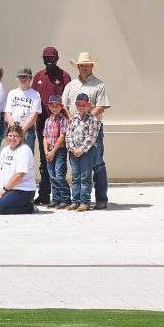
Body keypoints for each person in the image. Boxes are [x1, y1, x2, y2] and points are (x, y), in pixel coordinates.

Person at [62, 52, 109, 209]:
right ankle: (79, 200)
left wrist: (87, 119)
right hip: (75, 129)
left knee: (97, 164)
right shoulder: (71, 85)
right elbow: (65, 106)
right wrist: (73, 120)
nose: (84, 67)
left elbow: (101, 106)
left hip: (92, 129)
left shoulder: (99, 85)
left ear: (92, 66)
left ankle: (101, 198)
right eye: (82, 65)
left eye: (87, 65)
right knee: (77, 171)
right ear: (78, 67)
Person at [0, 120, 38, 215]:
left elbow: (20, 174)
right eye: (10, 136)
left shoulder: (24, 150)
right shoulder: (5, 150)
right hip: (6, 188)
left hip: (22, 190)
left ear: (21, 137)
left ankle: (29, 207)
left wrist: (5, 189)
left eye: (16, 136)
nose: (12, 138)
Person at [65, 93, 102, 210]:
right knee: (75, 176)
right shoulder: (73, 119)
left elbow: (92, 136)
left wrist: (81, 150)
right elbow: (68, 135)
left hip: (86, 153)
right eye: (79, 104)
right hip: (73, 152)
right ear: (76, 105)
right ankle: (75, 201)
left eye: (84, 105)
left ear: (89, 105)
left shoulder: (92, 119)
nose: (81, 107)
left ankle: (85, 202)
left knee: (85, 177)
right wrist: (73, 148)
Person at [41, 95, 72, 208]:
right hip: (49, 151)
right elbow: (44, 137)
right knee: (52, 176)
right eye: (52, 106)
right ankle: (55, 199)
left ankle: (65, 199)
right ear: (49, 106)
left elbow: (62, 137)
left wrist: (53, 151)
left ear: (61, 107)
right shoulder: (48, 120)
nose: (55, 108)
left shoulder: (63, 120)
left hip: (59, 151)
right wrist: (46, 151)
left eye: (57, 106)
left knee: (59, 175)